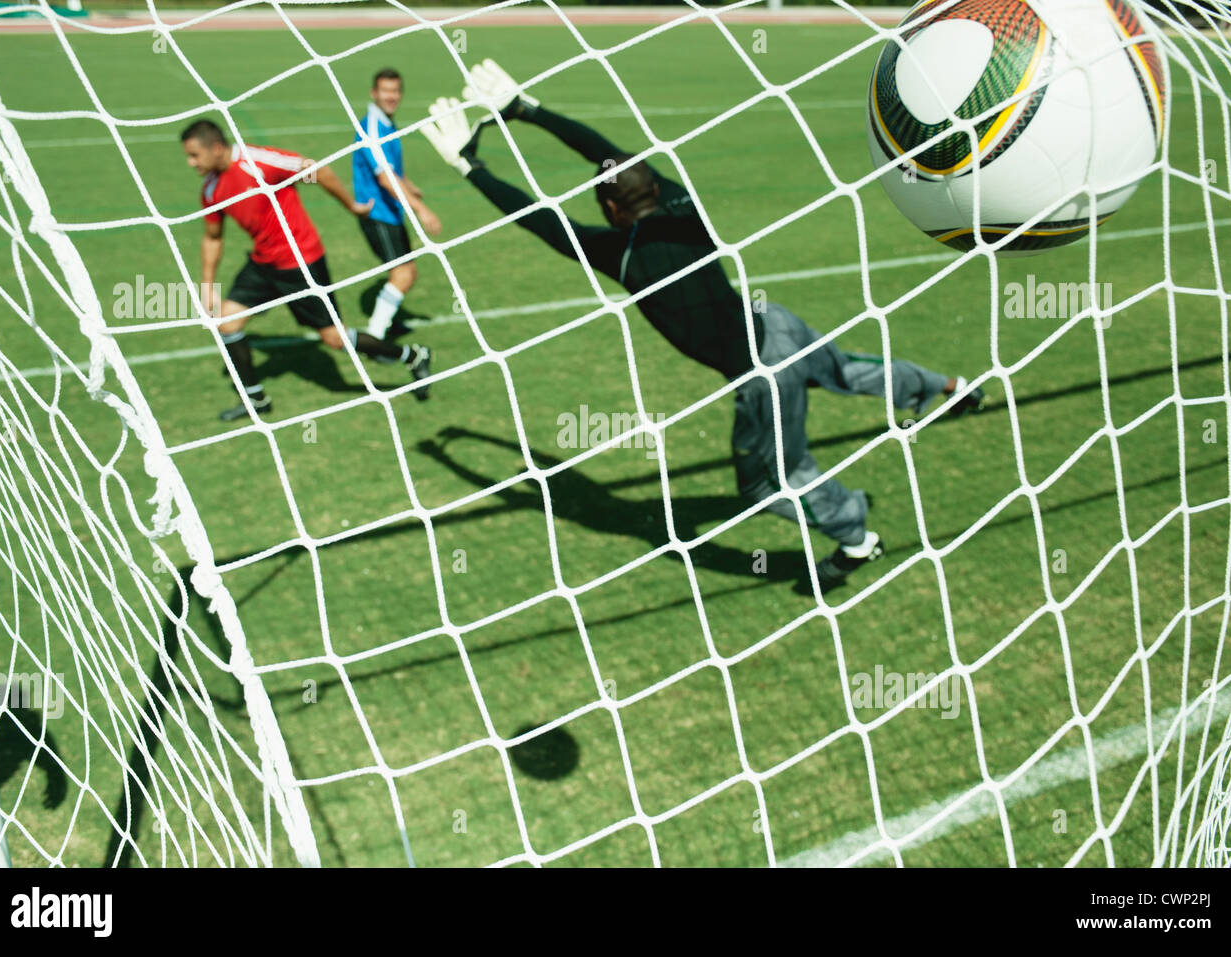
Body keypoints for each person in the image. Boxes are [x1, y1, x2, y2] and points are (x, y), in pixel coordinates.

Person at [420, 61, 985, 589]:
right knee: (852, 369)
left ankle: (856, 537)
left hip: (761, 374)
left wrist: (472, 164)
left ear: (612, 210)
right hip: (775, 323)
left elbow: (537, 217)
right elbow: (609, 156)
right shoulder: (686, 212)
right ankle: (948, 388)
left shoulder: (618, 255)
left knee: (769, 483)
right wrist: (526, 109)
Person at [181, 119, 432, 422]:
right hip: (262, 264)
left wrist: (350, 205)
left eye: (195, 155)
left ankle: (414, 356)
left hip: (301, 263)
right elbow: (213, 237)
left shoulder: (258, 162)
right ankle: (256, 400)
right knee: (227, 323)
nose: (190, 162)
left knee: (335, 340)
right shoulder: (211, 189)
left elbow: (316, 170)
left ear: (217, 147)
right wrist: (207, 285)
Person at [353, 68, 442, 339]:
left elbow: (390, 170)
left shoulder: (386, 122)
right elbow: (386, 179)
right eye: (385, 91)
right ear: (374, 93)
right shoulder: (373, 127)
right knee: (403, 275)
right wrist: (421, 209)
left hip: (390, 211)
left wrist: (410, 186)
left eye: (395, 91)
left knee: (407, 272)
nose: (391, 96)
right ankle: (376, 337)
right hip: (377, 213)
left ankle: (385, 325)